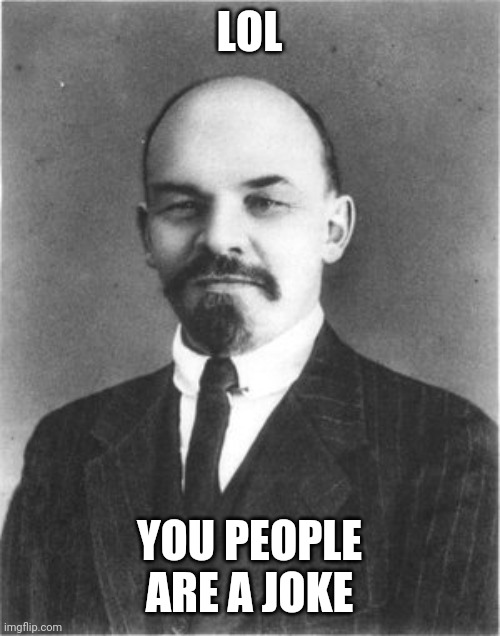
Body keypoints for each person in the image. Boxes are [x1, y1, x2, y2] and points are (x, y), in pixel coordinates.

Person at [1, 76, 497, 635]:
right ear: (146, 235)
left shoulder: (442, 447)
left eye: (264, 202)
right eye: (183, 206)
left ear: (334, 229)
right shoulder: (63, 447)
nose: (219, 238)